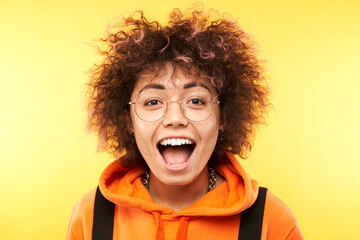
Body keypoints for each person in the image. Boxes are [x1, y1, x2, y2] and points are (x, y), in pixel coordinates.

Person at [66, 6, 304, 240]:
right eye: (152, 102)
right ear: (128, 120)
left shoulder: (270, 220)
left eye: (196, 100)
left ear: (223, 117)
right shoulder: (92, 216)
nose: (175, 118)